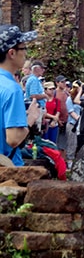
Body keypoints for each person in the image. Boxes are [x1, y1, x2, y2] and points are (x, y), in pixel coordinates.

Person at [0, 25, 40, 166]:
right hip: (6, 170)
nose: (26, 53)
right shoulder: (12, 89)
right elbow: (13, 139)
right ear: (12, 53)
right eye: (23, 48)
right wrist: (31, 117)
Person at [25, 60, 48, 131]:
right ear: (36, 68)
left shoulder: (34, 79)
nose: (43, 70)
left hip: (37, 108)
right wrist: (44, 96)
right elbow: (33, 95)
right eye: (42, 68)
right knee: (36, 130)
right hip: (35, 108)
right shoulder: (33, 80)